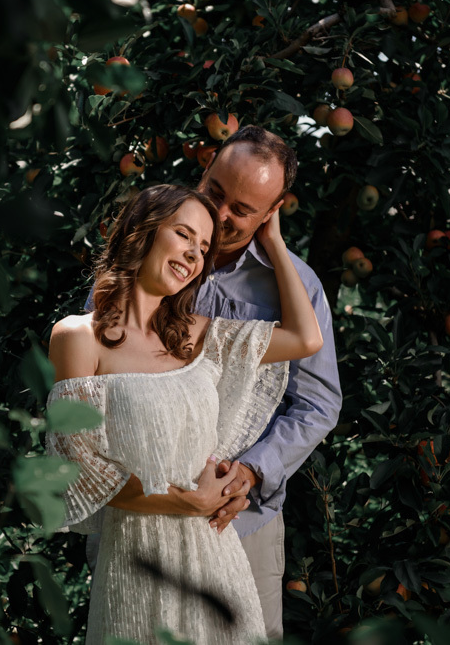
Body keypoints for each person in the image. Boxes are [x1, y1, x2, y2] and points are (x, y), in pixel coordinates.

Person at [46, 183, 323, 643]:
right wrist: (184, 501)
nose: (195, 254)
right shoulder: (78, 337)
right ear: (143, 231)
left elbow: (305, 338)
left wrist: (273, 240)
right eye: (183, 234)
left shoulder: (199, 336)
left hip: (215, 558)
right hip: (136, 563)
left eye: (204, 247)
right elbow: (80, 469)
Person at [193, 126, 342, 638]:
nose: (220, 214)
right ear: (205, 169)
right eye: (214, 192)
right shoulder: (148, 252)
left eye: (241, 209)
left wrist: (251, 472)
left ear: (273, 210)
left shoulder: (297, 287)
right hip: (145, 501)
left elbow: (317, 404)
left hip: (241, 522)